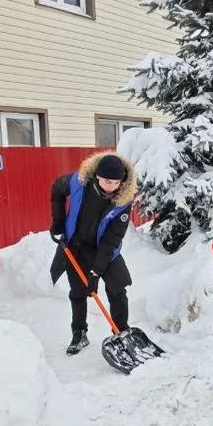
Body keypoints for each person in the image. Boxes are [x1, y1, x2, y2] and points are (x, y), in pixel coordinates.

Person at [49, 151, 137, 355]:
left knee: (118, 288)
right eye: (107, 181)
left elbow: (113, 239)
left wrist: (96, 272)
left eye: (116, 182)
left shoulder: (123, 200)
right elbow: (56, 189)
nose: (112, 187)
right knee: (78, 292)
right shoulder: (78, 182)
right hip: (75, 245)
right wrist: (58, 221)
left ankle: (121, 332)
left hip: (104, 249)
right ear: (97, 175)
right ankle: (79, 333)